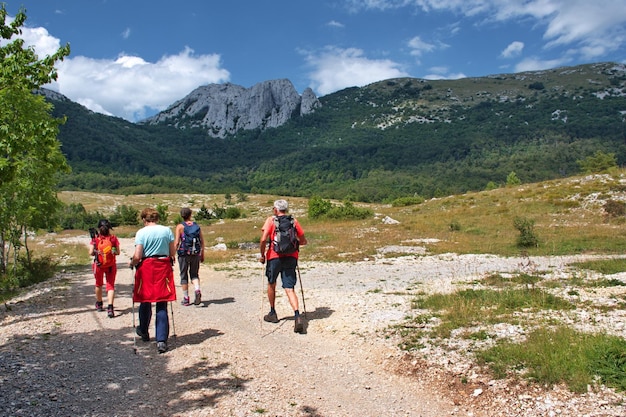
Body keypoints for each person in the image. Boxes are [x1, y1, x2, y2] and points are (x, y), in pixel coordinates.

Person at [130, 208, 176, 354]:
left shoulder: (141, 232)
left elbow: (138, 255)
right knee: (162, 301)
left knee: (145, 299)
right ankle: (161, 340)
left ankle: (143, 330)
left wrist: (132, 263)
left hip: (147, 266)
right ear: (157, 218)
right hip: (163, 266)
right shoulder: (166, 230)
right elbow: (172, 252)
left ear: (144, 219)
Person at [259, 199, 307, 333]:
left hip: (274, 257)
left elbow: (263, 239)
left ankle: (273, 313)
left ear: (275, 209)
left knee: (271, 283)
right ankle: (297, 315)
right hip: (291, 257)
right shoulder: (293, 221)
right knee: (289, 288)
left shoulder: (271, 220)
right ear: (286, 209)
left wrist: (262, 255)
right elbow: (303, 240)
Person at [88, 219, 120, 318]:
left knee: (98, 284)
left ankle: (99, 303)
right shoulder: (113, 239)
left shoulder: (96, 239)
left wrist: (96, 252)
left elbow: (90, 253)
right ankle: (110, 307)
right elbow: (118, 252)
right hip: (111, 265)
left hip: (98, 265)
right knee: (110, 286)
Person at [174, 207, 205, 306]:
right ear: (190, 214)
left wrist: (172, 254)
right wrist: (202, 253)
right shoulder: (196, 226)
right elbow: (202, 241)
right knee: (194, 274)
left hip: (183, 254)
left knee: (184, 275)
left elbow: (176, 242)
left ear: (181, 215)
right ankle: (197, 290)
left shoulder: (180, 227)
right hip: (195, 253)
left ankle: (186, 298)